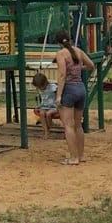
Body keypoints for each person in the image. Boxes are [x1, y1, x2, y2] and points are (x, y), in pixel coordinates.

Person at [54, 30, 94, 165]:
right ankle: (81, 155)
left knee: (68, 126)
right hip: (81, 88)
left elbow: (62, 75)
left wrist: (59, 95)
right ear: (70, 40)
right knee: (78, 125)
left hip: (69, 90)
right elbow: (91, 65)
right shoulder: (78, 51)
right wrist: (79, 69)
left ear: (58, 43)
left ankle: (73, 158)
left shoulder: (61, 54)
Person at [31, 73, 59, 137]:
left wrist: (58, 105)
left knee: (48, 114)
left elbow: (58, 95)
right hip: (44, 106)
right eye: (38, 87)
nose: (40, 88)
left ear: (46, 83)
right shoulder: (40, 89)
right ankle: (46, 131)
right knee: (41, 113)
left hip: (53, 107)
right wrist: (38, 106)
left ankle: (50, 128)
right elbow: (43, 100)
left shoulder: (53, 87)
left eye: (41, 87)